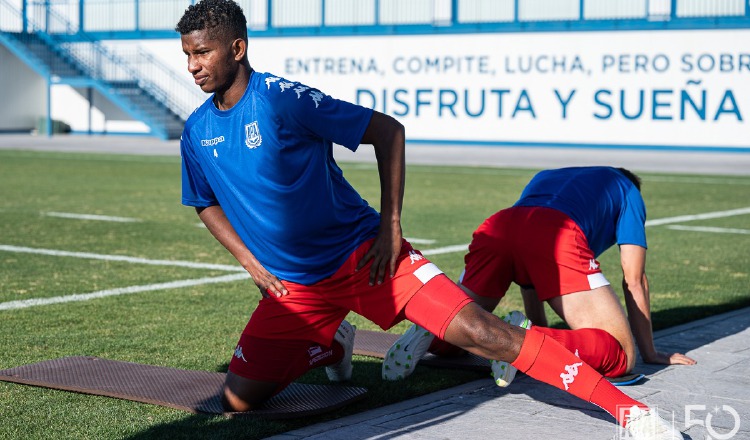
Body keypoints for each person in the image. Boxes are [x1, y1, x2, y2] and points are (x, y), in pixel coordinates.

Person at [176, 2, 683, 438]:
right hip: (294, 286)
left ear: (237, 49)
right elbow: (204, 201)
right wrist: (250, 262)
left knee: (482, 333)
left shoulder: (282, 98)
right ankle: (331, 344)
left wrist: (389, 228)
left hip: (365, 258)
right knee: (240, 401)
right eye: (188, 56)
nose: (194, 66)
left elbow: (388, 133)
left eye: (203, 53)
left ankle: (630, 411)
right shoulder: (196, 131)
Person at [385, 166, 696, 387]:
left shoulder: (547, 176)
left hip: (500, 225)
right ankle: (521, 338)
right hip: (555, 231)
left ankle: (428, 330)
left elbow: (528, 271)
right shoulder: (628, 189)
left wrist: (537, 322)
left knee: (457, 323)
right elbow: (634, 279)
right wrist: (650, 352)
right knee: (620, 355)